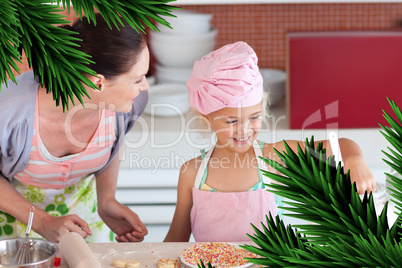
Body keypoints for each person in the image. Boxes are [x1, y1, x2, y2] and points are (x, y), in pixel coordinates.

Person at [163, 41, 376, 242]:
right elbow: (175, 240)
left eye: (254, 117)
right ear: (206, 118)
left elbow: (341, 145)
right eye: (232, 121)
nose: (245, 129)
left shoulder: (275, 157)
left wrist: (355, 160)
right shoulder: (192, 173)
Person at [0, 13, 150, 243]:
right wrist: (41, 221)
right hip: (17, 221)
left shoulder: (129, 104)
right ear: (97, 82)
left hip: (85, 221)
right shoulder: (8, 111)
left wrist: (107, 199)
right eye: (138, 79)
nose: (145, 86)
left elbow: (113, 142)